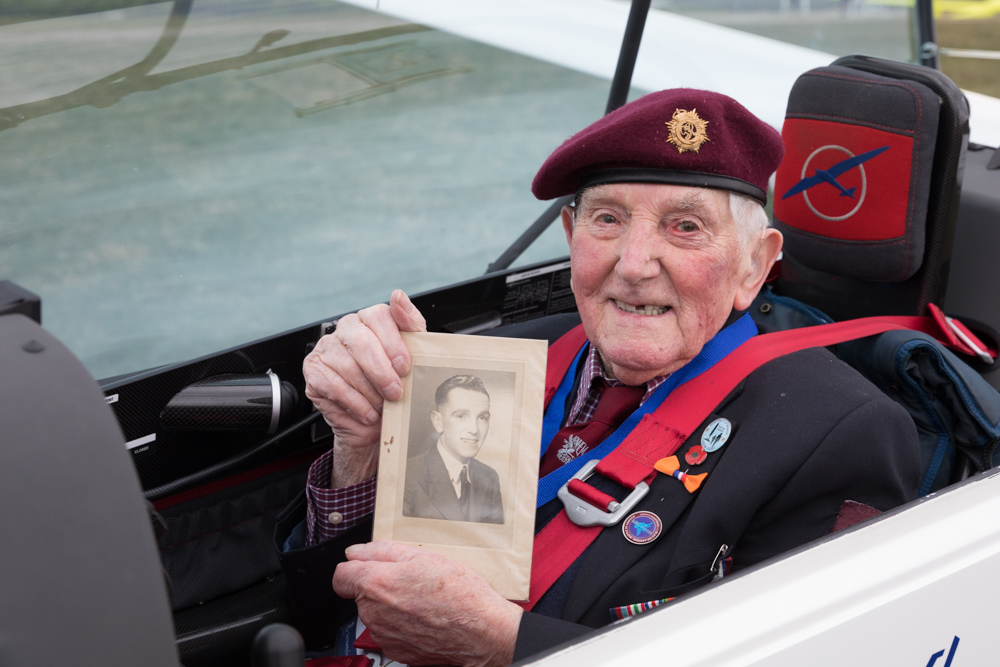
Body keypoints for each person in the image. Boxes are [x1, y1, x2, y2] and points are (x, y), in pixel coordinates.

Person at [274, 88, 919, 666]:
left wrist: (504, 644)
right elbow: (322, 616)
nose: (634, 264)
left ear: (755, 266)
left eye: (685, 227)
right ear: (570, 233)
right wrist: (358, 453)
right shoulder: (497, 361)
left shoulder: (836, 434)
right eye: (607, 219)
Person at [403, 374, 504, 524]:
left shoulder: (489, 477)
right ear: (438, 422)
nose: (474, 429)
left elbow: (495, 541)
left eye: (482, 417)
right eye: (461, 416)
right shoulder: (407, 474)